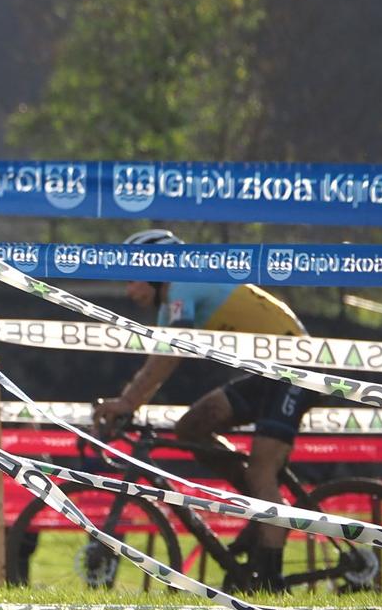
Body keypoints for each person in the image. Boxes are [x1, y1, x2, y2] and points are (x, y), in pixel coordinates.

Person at [91, 227, 311, 590]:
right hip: (270, 374)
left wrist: (128, 402)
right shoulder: (172, 296)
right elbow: (158, 358)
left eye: (132, 279)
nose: (129, 291)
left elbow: (172, 353)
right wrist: (128, 400)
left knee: (261, 472)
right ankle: (259, 506)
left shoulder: (184, 282)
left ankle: (270, 577)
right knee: (190, 427)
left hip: (300, 372)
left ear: (155, 268)